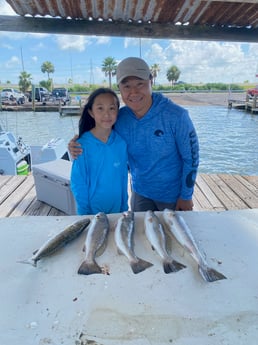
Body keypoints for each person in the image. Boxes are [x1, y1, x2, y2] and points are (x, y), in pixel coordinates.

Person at [69, 57, 199, 212]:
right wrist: (75, 145)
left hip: (173, 198)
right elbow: (100, 131)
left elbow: (191, 158)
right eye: (127, 86)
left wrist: (186, 196)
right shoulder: (120, 117)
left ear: (151, 81)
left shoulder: (177, 116)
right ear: (120, 88)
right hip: (140, 194)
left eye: (140, 84)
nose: (134, 92)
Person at [70, 88, 128, 215]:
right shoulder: (82, 144)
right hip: (91, 213)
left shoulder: (121, 143)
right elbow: (78, 182)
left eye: (112, 108)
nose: (107, 115)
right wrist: (85, 212)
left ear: (118, 111)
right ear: (91, 112)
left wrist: (124, 206)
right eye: (100, 108)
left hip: (117, 211)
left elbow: (123, 177)